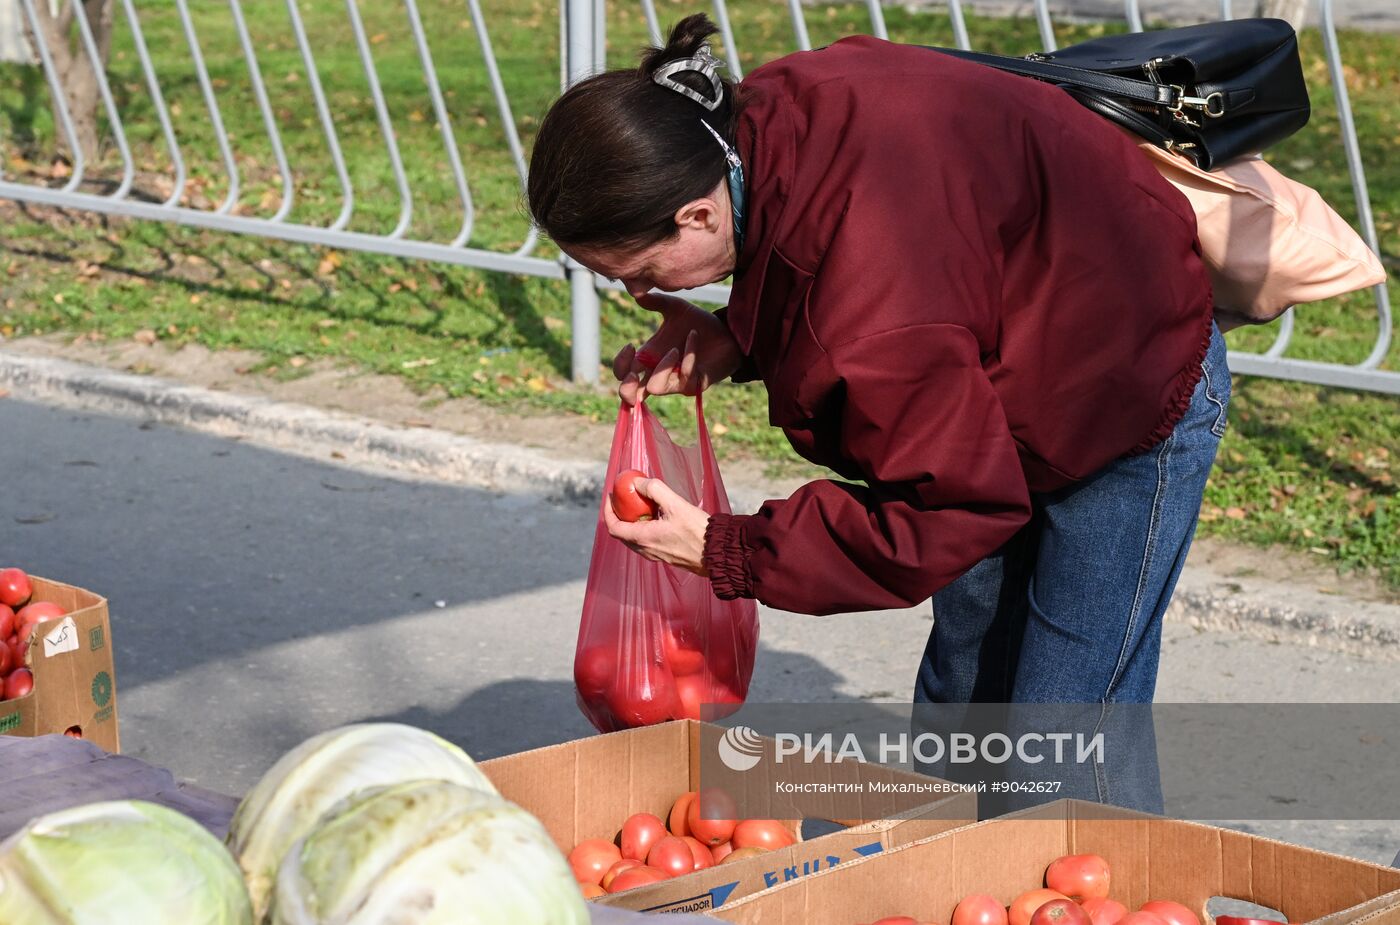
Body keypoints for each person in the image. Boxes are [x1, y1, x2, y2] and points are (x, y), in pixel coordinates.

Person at [527, 16, 1230, 718]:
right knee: (965, 698)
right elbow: (823, 252)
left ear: (697, 217)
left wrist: (726, 548)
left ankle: (1073, 830)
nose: (642, 294)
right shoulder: (755, 122)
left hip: (1128, 391)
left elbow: (949, 505)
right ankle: (964, 831)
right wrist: (740, 338)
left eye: (641, 270)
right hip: (1004, 379)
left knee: (1067, 732)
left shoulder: (880, 302)